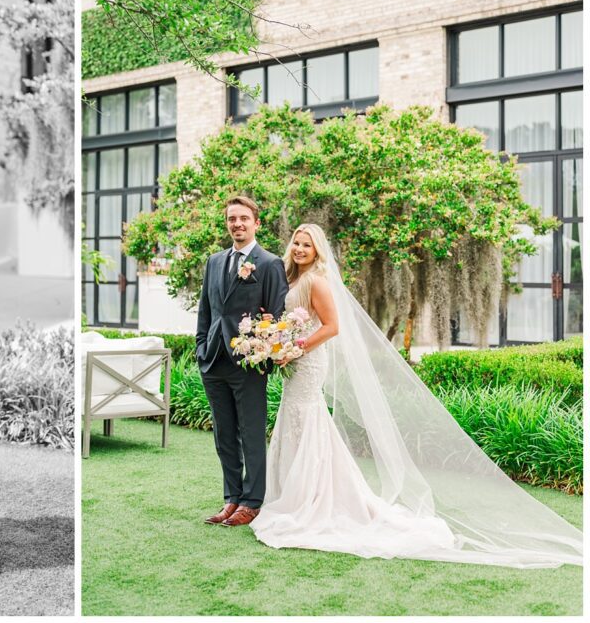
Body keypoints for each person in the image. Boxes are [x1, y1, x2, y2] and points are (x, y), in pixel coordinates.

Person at [250, 223, 583, 568]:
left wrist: (297, 346)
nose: (300, 249)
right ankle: (295, 494)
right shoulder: (291, 279)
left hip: (307, 361)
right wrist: (276, 340)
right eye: (297, 243)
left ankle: (313, 500)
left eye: (307, 245)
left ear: (317, 250)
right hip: (294, 361)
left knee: (307, 419)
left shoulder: (316, 281)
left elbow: (333, 326)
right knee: (295, 419)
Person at [195, 196, 289, 528]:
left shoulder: (269, 263)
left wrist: (261, 349)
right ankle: (231, 498)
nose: (237, 224)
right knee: (224, 435)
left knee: (250, 433)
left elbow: (278, 316)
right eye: (232, 219)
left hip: (248, 364)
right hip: (213, 361)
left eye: (244, 218)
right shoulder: (214, 261)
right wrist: (200, 348)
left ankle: (252, 501)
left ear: (256, 223)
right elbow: (206, 311)